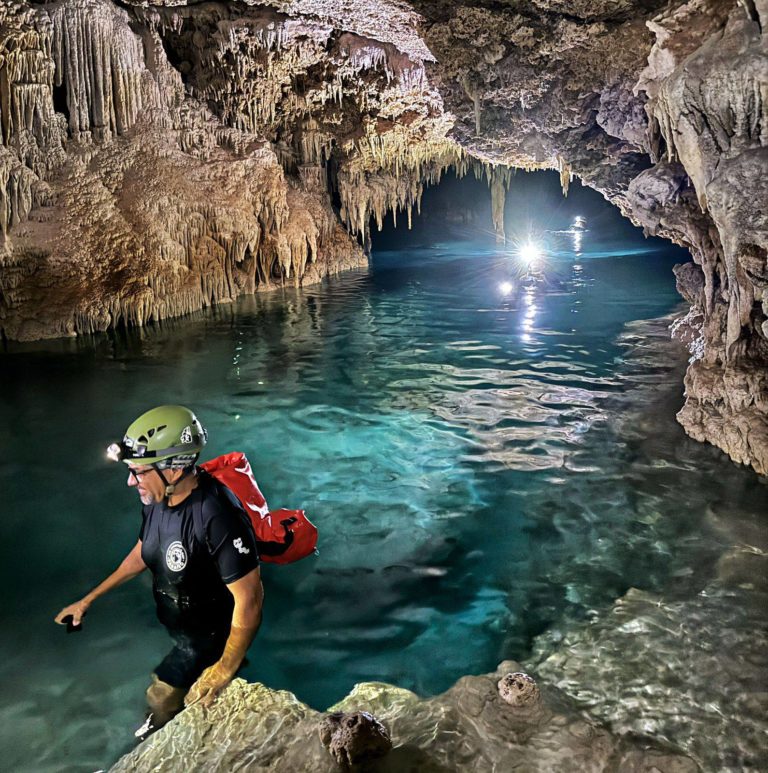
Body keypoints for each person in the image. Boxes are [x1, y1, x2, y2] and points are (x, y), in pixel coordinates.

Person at [54, 405, 263, 737]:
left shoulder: (217, 516)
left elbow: (250, 599)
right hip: (180, 624)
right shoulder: (157, 496)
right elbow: (143, 551)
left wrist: (224, 667)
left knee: (159, 701)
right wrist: (88, 599)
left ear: (175, 470)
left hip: (206, 637)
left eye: (137, 471)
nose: (129, 481)